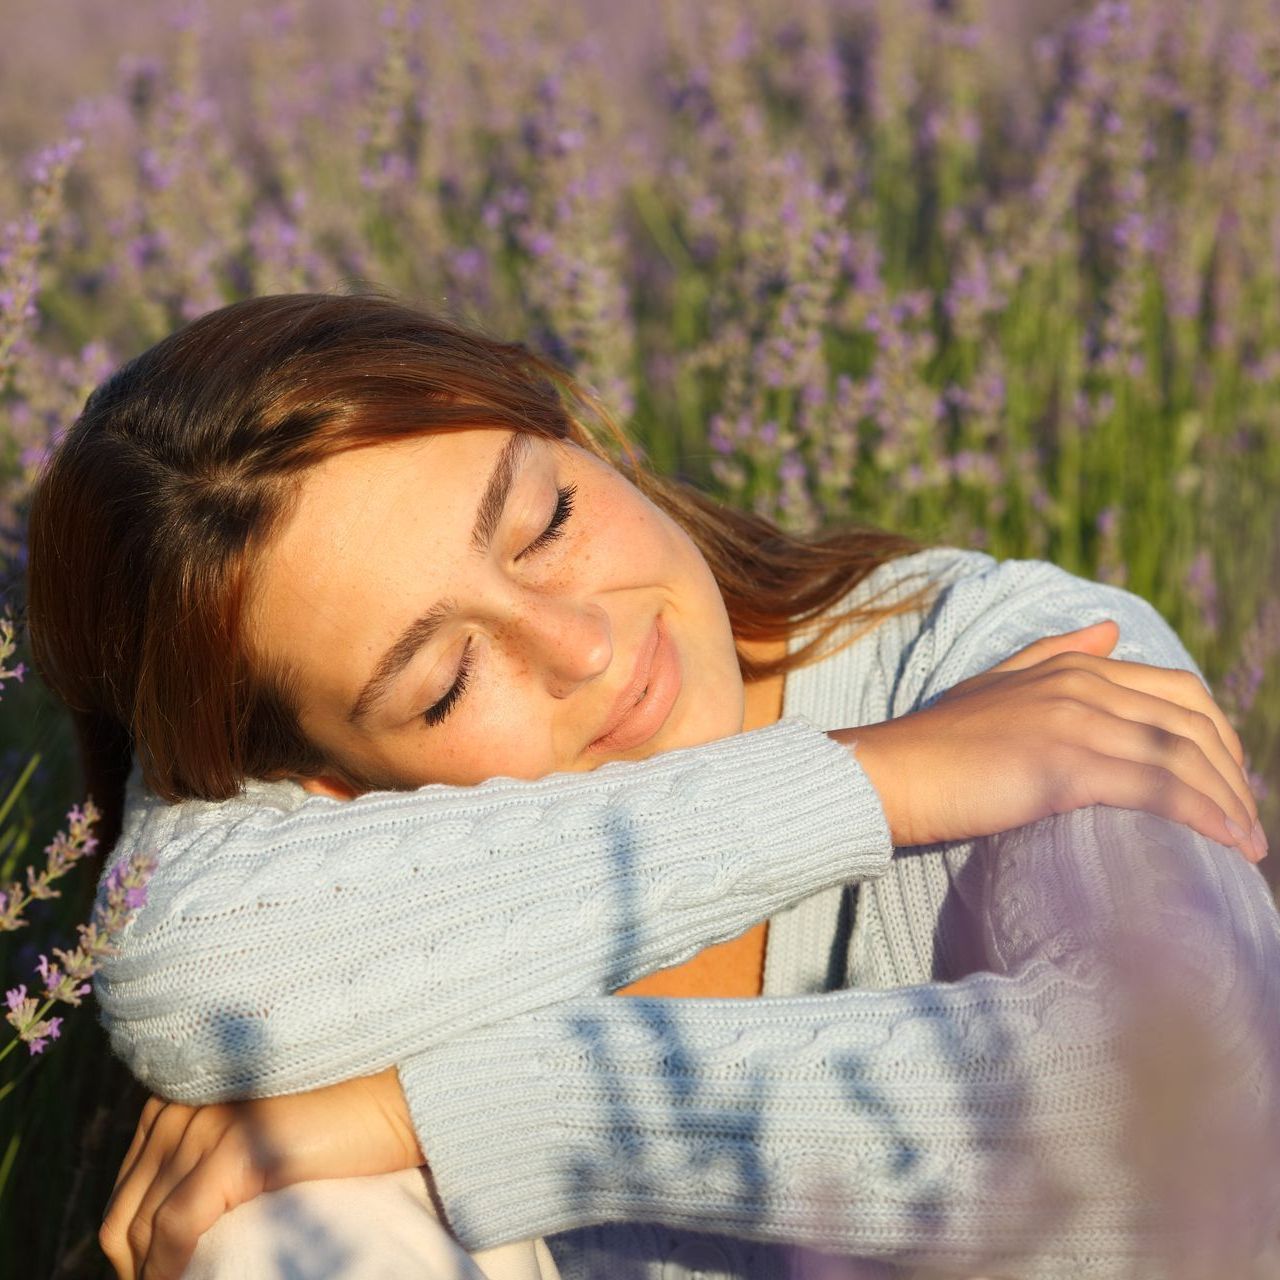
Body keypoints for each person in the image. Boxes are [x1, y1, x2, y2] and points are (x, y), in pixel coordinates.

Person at [24, 293, 1280, 1280]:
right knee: (284, 1221)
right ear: (326, 783)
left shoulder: (1025, 665)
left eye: (547, 519)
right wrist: (864, 784)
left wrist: (456, 1107)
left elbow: (1193, 1120)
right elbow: (176, 962)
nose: (580, 643)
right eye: (446, 683)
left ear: (583, 435)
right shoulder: (374, 844)